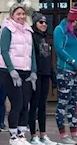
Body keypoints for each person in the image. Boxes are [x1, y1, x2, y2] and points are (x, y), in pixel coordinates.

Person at [0, 3, 37, 145]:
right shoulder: (8, 29)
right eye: (18, 14)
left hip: (25, 70)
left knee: (25, 103)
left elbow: (31, 53)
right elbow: (5, 50)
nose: (21, 17)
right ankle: (13, 135)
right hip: (9, 71)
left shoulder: (28, 30)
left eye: (23, 14)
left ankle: (21, 134)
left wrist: (33, 71)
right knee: (17, 102)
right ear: (12, 15)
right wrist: (11, 70)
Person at [54, 4, 77, 145]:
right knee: (63, 104)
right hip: (65, 71)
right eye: (76, 21)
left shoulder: (75, 33)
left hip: (76, 72)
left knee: (73, 104)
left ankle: (74, 134)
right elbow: (59, 49)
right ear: (71, 19)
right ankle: (63, 135)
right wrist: (74, 62)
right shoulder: (60, 30)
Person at [28, 12, 57, 145]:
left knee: (42, 106)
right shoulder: (32, 36)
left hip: (45, 74)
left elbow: (48, 59)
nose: (44, 24)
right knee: (34, 105)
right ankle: (33, 135)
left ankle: (43, 135)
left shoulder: (46, 39)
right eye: (41, 22)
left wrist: (53, 76)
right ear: (35, 23)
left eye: (45, 22)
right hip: (35, 75)